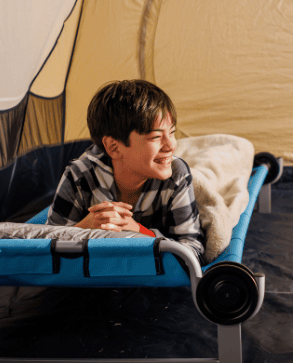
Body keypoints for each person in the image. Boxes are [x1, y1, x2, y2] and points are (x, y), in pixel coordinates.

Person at [47, 79, 204, 261]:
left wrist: (139, 232)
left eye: (172, 133)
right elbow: (46, 248)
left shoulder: (177, 174)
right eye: (155, 137)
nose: (171, 146)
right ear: (114, 147)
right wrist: (83, 229)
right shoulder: (80, 175)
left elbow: (194, 251)